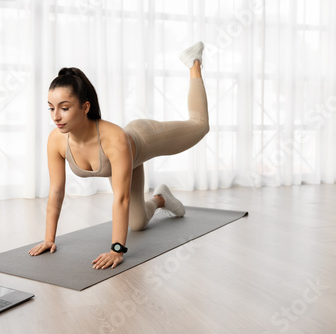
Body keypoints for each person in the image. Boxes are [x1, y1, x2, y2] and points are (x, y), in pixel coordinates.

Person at [29, 42, 209, 270]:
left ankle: (194, 63)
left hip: (143, 139)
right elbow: (56, 191)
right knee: (138, 224)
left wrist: (117, 249)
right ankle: (161, 199)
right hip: (124, 161)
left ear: (85, 107)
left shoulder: (114, 140)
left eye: (64, 108)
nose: (56, 116)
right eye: (51, 108)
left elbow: (121, 198)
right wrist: (48, 239)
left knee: (200, 126)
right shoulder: (56, 140)